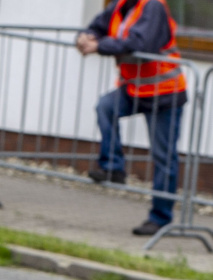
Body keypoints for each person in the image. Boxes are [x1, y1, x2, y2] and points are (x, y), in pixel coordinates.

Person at [78, 0, 188, 237]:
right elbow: (97, 26)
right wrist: (85, 37)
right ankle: (113, 167)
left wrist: (99, 46)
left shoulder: (153, 6)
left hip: (164, 92)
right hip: (135, 89)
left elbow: (140, 43)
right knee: (106, 107)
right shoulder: (121, 5)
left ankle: (160, 219)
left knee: (164, 157)